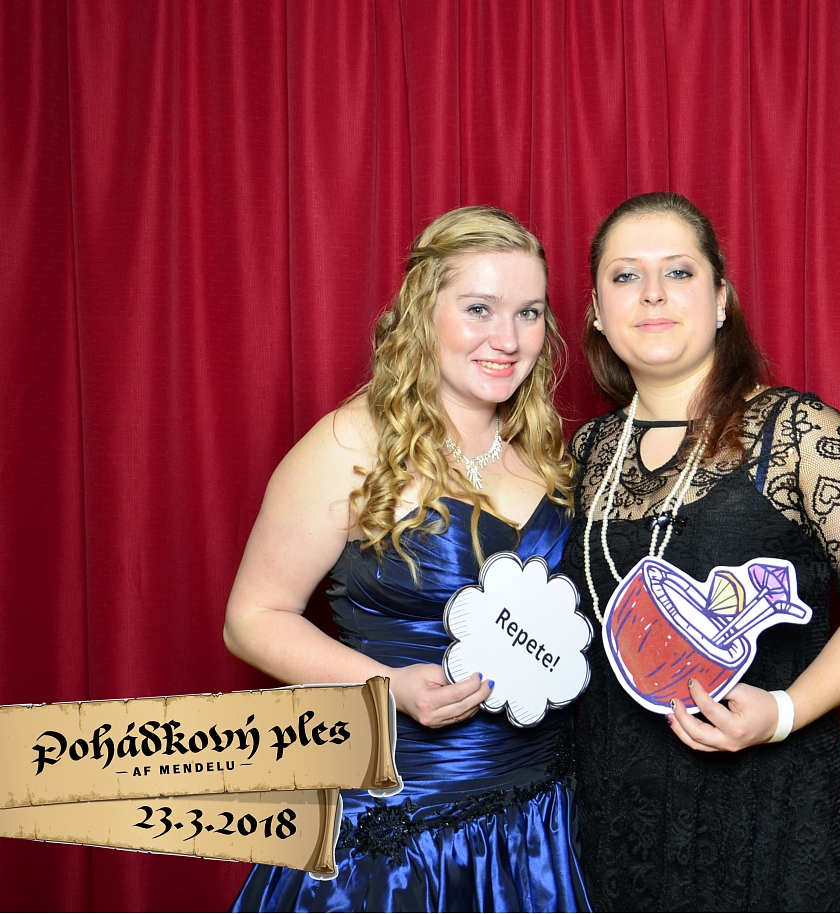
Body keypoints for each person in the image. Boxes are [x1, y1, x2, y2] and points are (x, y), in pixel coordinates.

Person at [560, 192, 840, 911]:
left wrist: (784, 712)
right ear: (598, 313)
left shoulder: (798, 432)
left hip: (767, 810)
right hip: (613, 814)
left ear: (721, 298)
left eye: (679, 272)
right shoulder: (584, 451)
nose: (653, 293)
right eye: (626, 275)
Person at [224, 206, 589, 912]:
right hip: (396, 837)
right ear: (424, 313)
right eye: (479, 309)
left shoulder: (548, 459)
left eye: (529, 313)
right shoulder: (349, 445)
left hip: (537, 830)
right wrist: (386, 686)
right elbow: (252, 618)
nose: (507, 339)